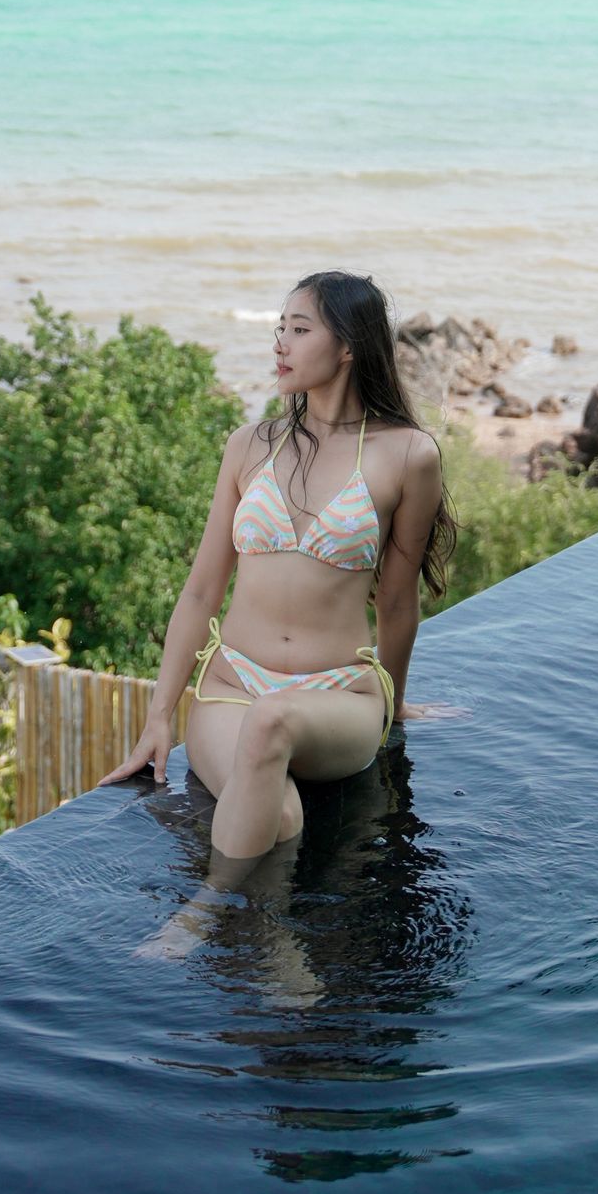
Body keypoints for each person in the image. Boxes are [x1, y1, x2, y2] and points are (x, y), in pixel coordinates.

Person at [100, 269, 457, 864]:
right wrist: (159, 717)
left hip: (338, 694)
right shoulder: (249, 445)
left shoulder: (408, 455)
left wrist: (394, 701)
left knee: (273, 721)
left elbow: (397, 601)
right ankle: (276, 954)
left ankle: (207, 913)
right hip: (232, 685)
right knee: (281, 812)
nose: (280, 344)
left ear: (347, 346)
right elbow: (200, 593)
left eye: (298, 328)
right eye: (279, 328)